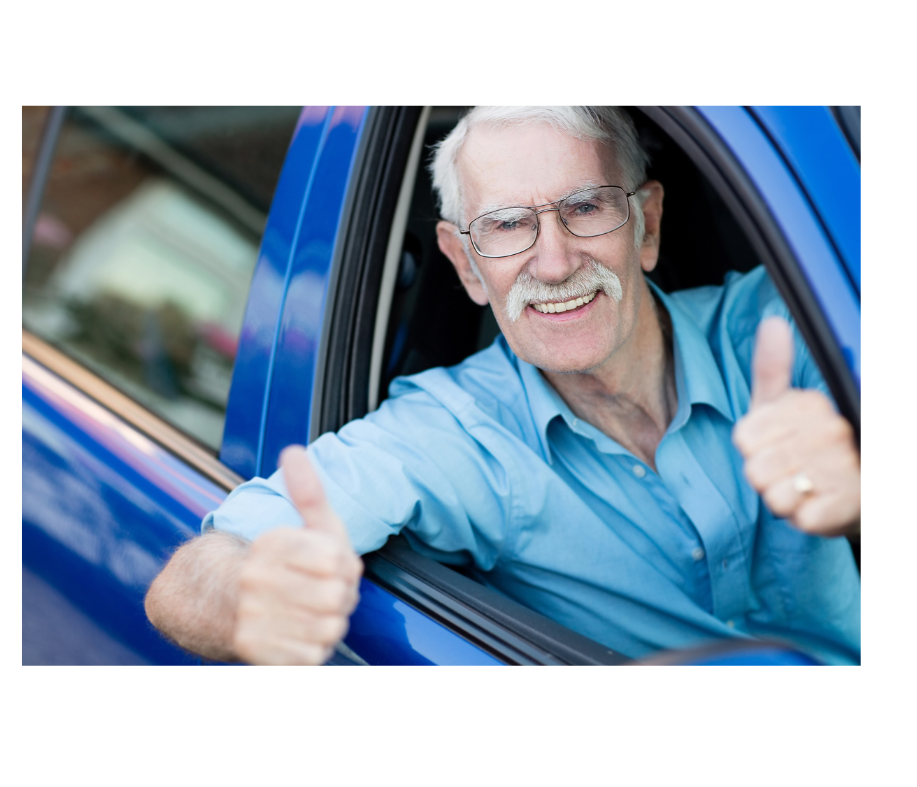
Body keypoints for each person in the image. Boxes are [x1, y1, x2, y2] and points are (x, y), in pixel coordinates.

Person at [145, 107, 861, 665]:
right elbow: (195, 576)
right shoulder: (455, 433)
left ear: (647, 226)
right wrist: (250, 595)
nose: (552, 263)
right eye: (507, 225)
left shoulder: (793, 322)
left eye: (585, 207)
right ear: (465, 265)